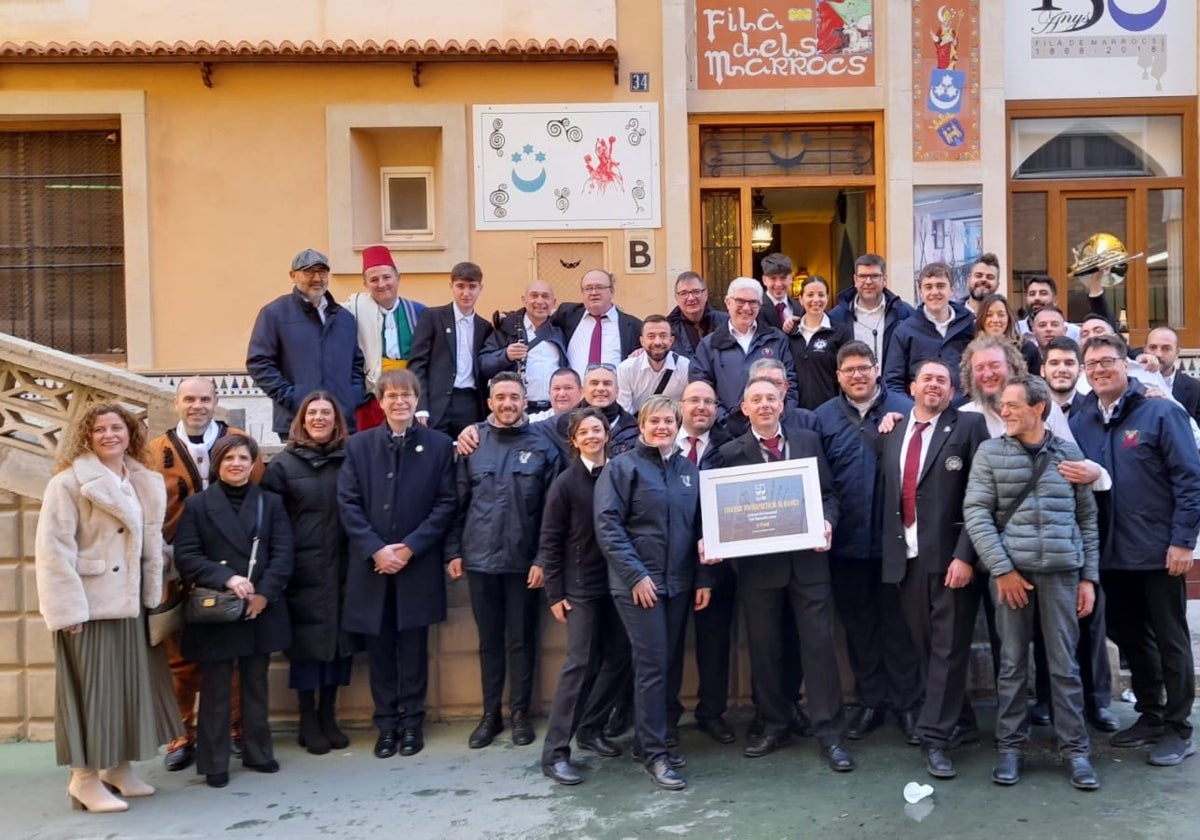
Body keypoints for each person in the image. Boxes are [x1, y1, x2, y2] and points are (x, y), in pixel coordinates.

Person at [35, 403, 178, 813]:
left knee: (127, 690)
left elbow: (145, 542)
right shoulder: (68, 484)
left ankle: (117, 769)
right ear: (86, 436)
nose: (109, 435)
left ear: (131, 433)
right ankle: (83, 779)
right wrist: (68, 611)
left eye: (117, 427)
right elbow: (52, 551)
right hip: (90, 608)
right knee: (93, 695)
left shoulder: (142, 481)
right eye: (99, 429)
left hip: (131, 605)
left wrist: (165, 563)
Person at [963, 375, 1101, 790]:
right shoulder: (989, 454)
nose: (1003, 411)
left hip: (1062, 573)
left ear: (1038, 409)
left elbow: (1087, 519)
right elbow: (977, 514)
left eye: (1012, 404)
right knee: (1010, 667)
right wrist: (1002, 570)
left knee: (1064, 667)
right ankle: (1011, 749)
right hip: (1012, 577)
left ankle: (1075, 752)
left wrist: (1088, 578)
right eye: (1002, 404)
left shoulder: (1069, 454)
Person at [1070, 335, 1200, 767]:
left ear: (1127, 365)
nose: (1100, 369)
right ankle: (1150, 714)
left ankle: (1179, 728)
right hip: (1110, 552)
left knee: (1170, 638)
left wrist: (1183, 540)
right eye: (1092, 364)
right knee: (1129, 636)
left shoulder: (1160, 411)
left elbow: (1189, 478)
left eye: (1108, 361)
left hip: (1160, 551)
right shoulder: (1082, 419)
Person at [716, 378, 854, 772]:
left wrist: (827, 522)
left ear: (782, 404)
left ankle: (830, 735)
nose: (764, 405)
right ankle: (776, 724)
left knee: (820, 649)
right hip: (759, 569)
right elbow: (722, 509)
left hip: (809, 563)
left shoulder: (808, 441)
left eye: (770, 399)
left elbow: (829, 494)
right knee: (765, 650)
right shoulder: (729, 453)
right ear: (744, 408)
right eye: (755, 399)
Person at [595, 396, 715, 790]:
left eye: (669, 421)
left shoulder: (687, 471)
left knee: (670, 663)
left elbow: (699, 530)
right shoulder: (622, 468)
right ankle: (654, 754)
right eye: (654, 421)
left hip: (678, 583)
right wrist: (635, 577)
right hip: (639, 587)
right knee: (651, 665)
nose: (662, 427)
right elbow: (609, 527)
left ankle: (654, 738)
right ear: (641, 425)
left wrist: (701, 580)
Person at [338, 369, 458, 760]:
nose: (400, 402)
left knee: (414, 647)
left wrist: (409, 548)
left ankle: (412, 723)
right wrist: (377, 549)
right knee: (380, 650)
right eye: (391, 396)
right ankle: (386, 724)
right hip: (373, 568)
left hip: (415, 565)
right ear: (380, 401)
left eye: (406, 395)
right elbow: (349, 503)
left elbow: (445, 504)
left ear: (417, 399)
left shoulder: (439, 446)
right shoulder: (358, 446)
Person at [879, 358, 990, 780]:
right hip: (905, 559)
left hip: (950, 561)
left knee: (947, 648)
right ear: (911, 387)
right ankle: (960, 722)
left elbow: (979, 497)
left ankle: (935, 739)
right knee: (927, 648)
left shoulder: (968, 428)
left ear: (952, 390)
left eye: (942, 380)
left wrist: (965, 555)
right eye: (927, 378)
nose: (934, 385)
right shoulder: (891, 432)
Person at [149, 376, 264, 772]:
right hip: (176, 566)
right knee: (179, 658)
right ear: (176, 403)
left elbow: (260, 499)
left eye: (204, 399)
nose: (197, 406)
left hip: (231, 567)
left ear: (216, 401)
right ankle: (182, 733)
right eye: (189, 399)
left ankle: (233, 727)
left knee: (229, 650)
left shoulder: (239, 442)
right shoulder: (155, 451)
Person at [447, 372, 564, 749]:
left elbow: (553, 511)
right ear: (490, 402)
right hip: (480, 561)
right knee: (489, 642)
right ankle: (489, 715)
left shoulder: (544, 446)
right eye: (500, 397)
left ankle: (520, 714)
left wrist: (544, 558)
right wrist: (454, 550)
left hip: (523, 563)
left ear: (525, 401)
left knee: (522, 640)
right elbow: (457, 501)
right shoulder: (473, 443)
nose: (508, 404)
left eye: (514, 397)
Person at [814, 342, 922, 744]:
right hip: (845, 543)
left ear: (877, 370)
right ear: (838, 376)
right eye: (849, 370)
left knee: (900, 627)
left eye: (864, 368)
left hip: (896, 542)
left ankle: (909, 705)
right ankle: (871, 702)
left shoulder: (906, 409)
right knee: (859, 629)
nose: (857, 375)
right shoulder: (822, 418)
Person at [174, 434, 294, 788]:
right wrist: (227, 577)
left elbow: (284, 554)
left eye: (244, 458)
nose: (236, 464)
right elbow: (187, 556)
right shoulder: (197, 506)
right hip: (217, 609)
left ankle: (259, 752)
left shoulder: (270, 503)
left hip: (260, 608)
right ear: (217, 464)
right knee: (215, 688)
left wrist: (264, 596)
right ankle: (214, 762)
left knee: (256, 684)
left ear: (253, 463)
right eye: (229, 458)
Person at [539, 408, 632, 784]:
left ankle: (591, 728)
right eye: (584, 432)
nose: (592, 436)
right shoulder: (565, 483)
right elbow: (550, 540)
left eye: (598, 429)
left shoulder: (622, 474)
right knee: (579, 664)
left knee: (620, 656)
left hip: (618, 583)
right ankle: (555, 752)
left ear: (607, 434)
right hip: (582, 588)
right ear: (574, 440)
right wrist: (554, 592)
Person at [260, 392, 355, 756]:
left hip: (342, 566)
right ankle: (307, 719)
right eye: (312, 413)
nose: (319, 418)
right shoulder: (284, 465)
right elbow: (272, 520)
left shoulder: (348, 459)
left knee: (337, 645)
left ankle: (329, 714)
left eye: (326, 413)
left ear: (336, 420)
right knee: (306, 648)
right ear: (301, 420)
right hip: (301, 569)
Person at [247, 248, 366, 437]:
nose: (317, 278)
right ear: (293, 276)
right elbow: (259, 363)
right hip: (296, 422)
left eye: (322, 272)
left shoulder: (344, 318)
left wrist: (351, 397)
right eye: (309, 271)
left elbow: (356, 363)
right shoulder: (274, 314)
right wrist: (293, 398)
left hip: (341, 422)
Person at [675, 381, 736, 744]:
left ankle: (712, 712)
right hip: (671, 561)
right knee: (667, 644)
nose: (701, 407)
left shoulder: (730, 447)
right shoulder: (660, 440)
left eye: (709, 402)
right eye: (694, 400)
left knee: (715, 643)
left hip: (718, 563)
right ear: (680, 405)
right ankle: (665, 714)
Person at [690, 276, 798, 437]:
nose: (747, 308)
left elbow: (790, 384)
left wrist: (777, 419)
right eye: (740, 301)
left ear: (759, 306)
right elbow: (701, 389)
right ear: (728, 303)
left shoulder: (776, 339)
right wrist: (726, 422)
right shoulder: (709, 345)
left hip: (771, 431)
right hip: (725, 435)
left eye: (753, 302)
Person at [343, 245, 426, 431]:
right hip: (370, 396)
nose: (381, 284)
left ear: (398, 278)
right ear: (365, 284)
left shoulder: (419, 312)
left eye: (387, 277)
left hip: (407, 396)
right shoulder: (352, 311)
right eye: (374, 279)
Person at [407, 261, 494, 437]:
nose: (466, 293)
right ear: (451, 286)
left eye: (472, 287)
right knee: (437, 456)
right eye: (460, 286)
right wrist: (420, 406)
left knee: (469, 454)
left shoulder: (484, 327)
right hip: (437, 403)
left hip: (471, 403)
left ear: (480, 288)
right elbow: (417, 364)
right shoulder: (432, 317)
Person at [882, 262, 975, 397]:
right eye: (928, 287)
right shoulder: (904, 331)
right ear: (921, 292)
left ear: (952, 289)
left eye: (941, 286)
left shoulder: (969, 327)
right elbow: (893, 383)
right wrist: (912, 412)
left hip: (962, 410)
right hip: (919, 412)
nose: (934, 292)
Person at [480, 280, 569, 414]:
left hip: (553, 410)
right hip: (516, 411)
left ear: (554, 302)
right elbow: (483, 364)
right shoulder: (507, 327)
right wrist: (505, 356)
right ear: (524, 300)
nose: (540, 302)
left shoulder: (561, 330)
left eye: (545, 296)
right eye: (534, 296)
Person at [828, 253, 914, 372]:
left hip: (892, 387)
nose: (868, 282)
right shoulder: (836, 316)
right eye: (863, 276)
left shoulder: (904, 313)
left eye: (874, 276)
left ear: (884, 279)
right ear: (855, 280)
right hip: (852, 387)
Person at [555, 269, 643, 377]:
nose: (593, 293)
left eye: (599, 287)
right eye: (588, 288)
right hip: (575, 391)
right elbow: (541, 327)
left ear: (612, 291)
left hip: (613, 391)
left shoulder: (633, 326)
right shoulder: (567, 315)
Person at [784, 275, 853, 410]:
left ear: (827, 298)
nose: (816, 300)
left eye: (821, 295)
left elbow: (848, 374)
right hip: (796, 413)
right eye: (810, 295)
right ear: (801, 299)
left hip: (832, 410)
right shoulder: (790, 333)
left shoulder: (841, 333)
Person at [616, 315, 690, 413]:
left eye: (663, 336)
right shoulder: (626, 369)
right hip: (637, 426)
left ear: (671, 341)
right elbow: (624, 412)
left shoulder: (685, 367)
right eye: (651, 336)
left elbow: (687, 407)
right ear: (642, 341)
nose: (657, 342)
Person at [1142, 326, 1200, 426]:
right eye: (1152, 347)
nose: (1158, 354)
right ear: (1144, 349)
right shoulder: (1131, 383)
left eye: (1166, 349)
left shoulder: (1195, 388)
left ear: (1177, 353)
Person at [974, 293, 1041, 376]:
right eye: (989, 315)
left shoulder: (1026, 348)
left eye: (1001, 315)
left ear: (1008, 318)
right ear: (981, 319)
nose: (995, 320)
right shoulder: (972, 349)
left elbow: (1038, 386)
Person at [667, 271, 729, 358]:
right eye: (684, 293)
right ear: (676, 298)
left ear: (706, 294)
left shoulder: (727, 323)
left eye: (696, 292)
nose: (691, 298)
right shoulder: (667, 329)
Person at [756, 253, 803, 331]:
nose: (778, 284)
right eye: (773, 278)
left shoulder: (800, 308)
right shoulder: (757, 308)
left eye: (783, 278)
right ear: (764, 280)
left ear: (791, 278)